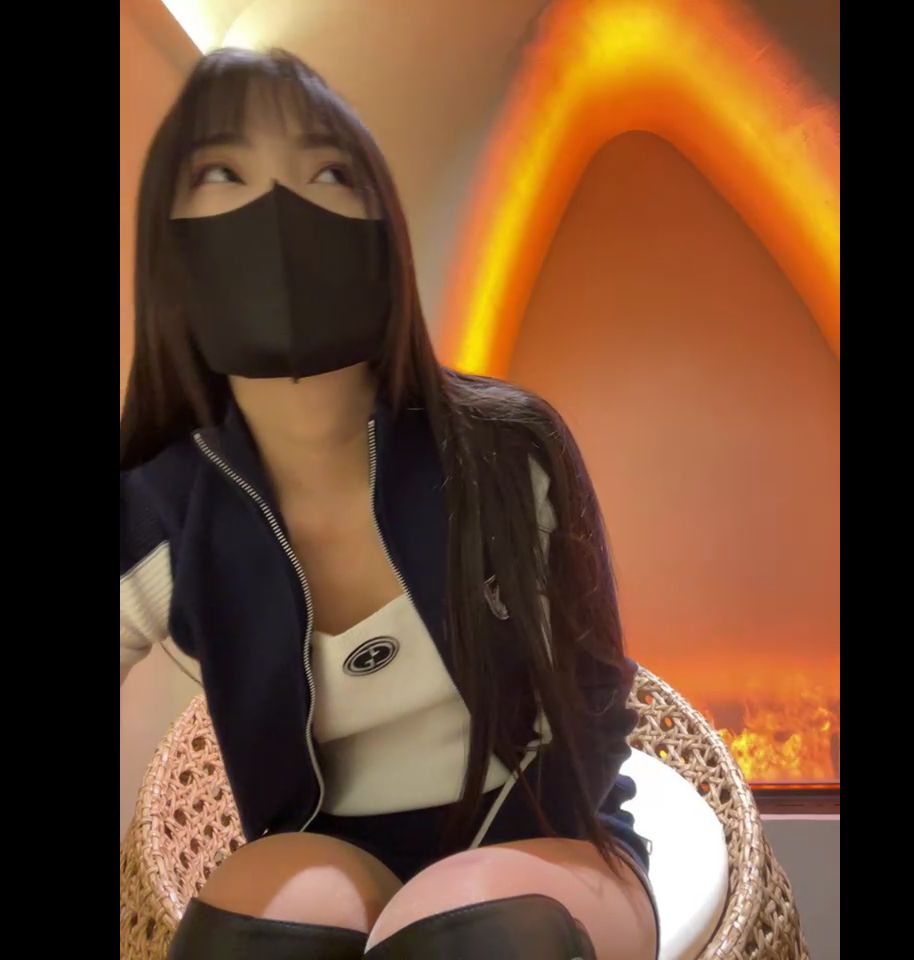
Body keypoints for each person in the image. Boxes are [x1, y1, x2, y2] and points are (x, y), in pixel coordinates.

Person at [120, 46, 658, 960]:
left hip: (550, 837)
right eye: (222, 172)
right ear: (168, 241)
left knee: (472, 936)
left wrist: (512, 867)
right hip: (325, 851)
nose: (278, 207)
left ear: (384, 230)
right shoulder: (162, 510)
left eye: (328, 171)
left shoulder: (511, 450)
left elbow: (597, 695)